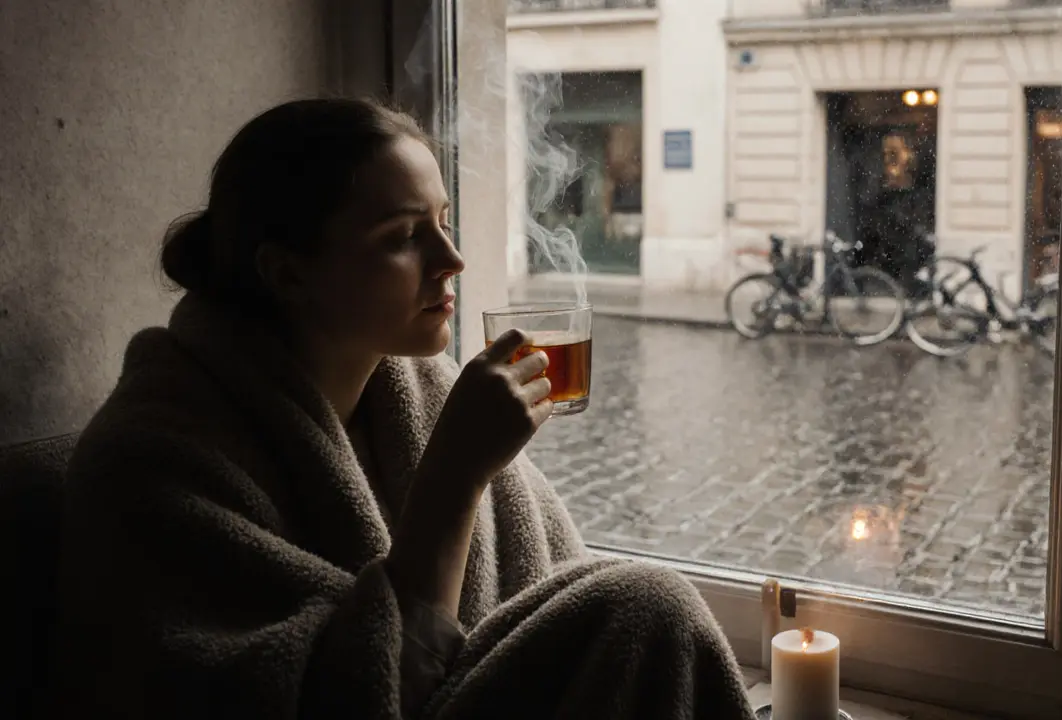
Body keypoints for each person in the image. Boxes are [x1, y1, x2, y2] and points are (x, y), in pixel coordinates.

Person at [51, 98, 754, 719]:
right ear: (288, 273)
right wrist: (454, 476)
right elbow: (321, 696)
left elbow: (544, 612)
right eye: (403, 236)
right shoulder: (150, 462)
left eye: (443, 221)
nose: (452, 258)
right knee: (648, 605)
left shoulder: (421, 393)